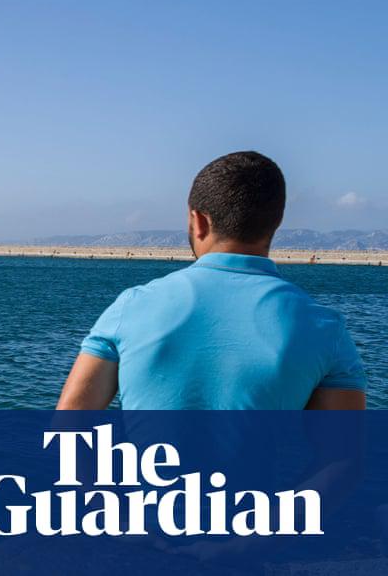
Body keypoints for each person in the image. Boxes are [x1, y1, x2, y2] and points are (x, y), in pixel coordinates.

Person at [57, 151, 366, 410]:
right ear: (277, 221)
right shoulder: (325, 329)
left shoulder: (131, 308)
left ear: (198, 221)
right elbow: (342, 462)